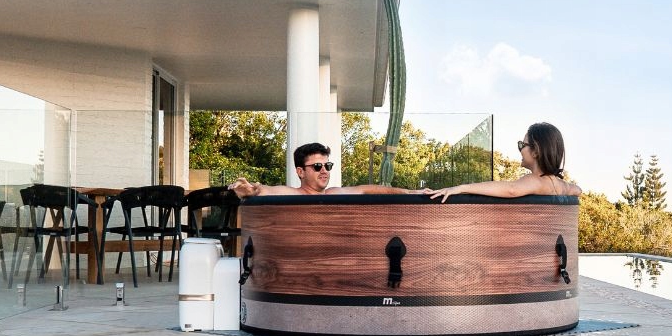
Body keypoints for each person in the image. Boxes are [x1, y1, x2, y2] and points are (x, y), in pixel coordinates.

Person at [427, 122, 582, 203]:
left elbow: (512, 189)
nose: (520, 149)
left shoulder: (536, 181)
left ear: (536, 152)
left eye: (522, 145)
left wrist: (461, 188)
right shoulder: (560, 185)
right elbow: (578, 190)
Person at [229, 142, 413, 198]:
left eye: (327, 166)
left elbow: (366, 190)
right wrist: (250, 190)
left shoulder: (334, 193)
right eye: (317, 166)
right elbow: (267, 190)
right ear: (300, 172)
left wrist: (411, 192)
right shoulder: (295, 195)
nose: (324, 170)